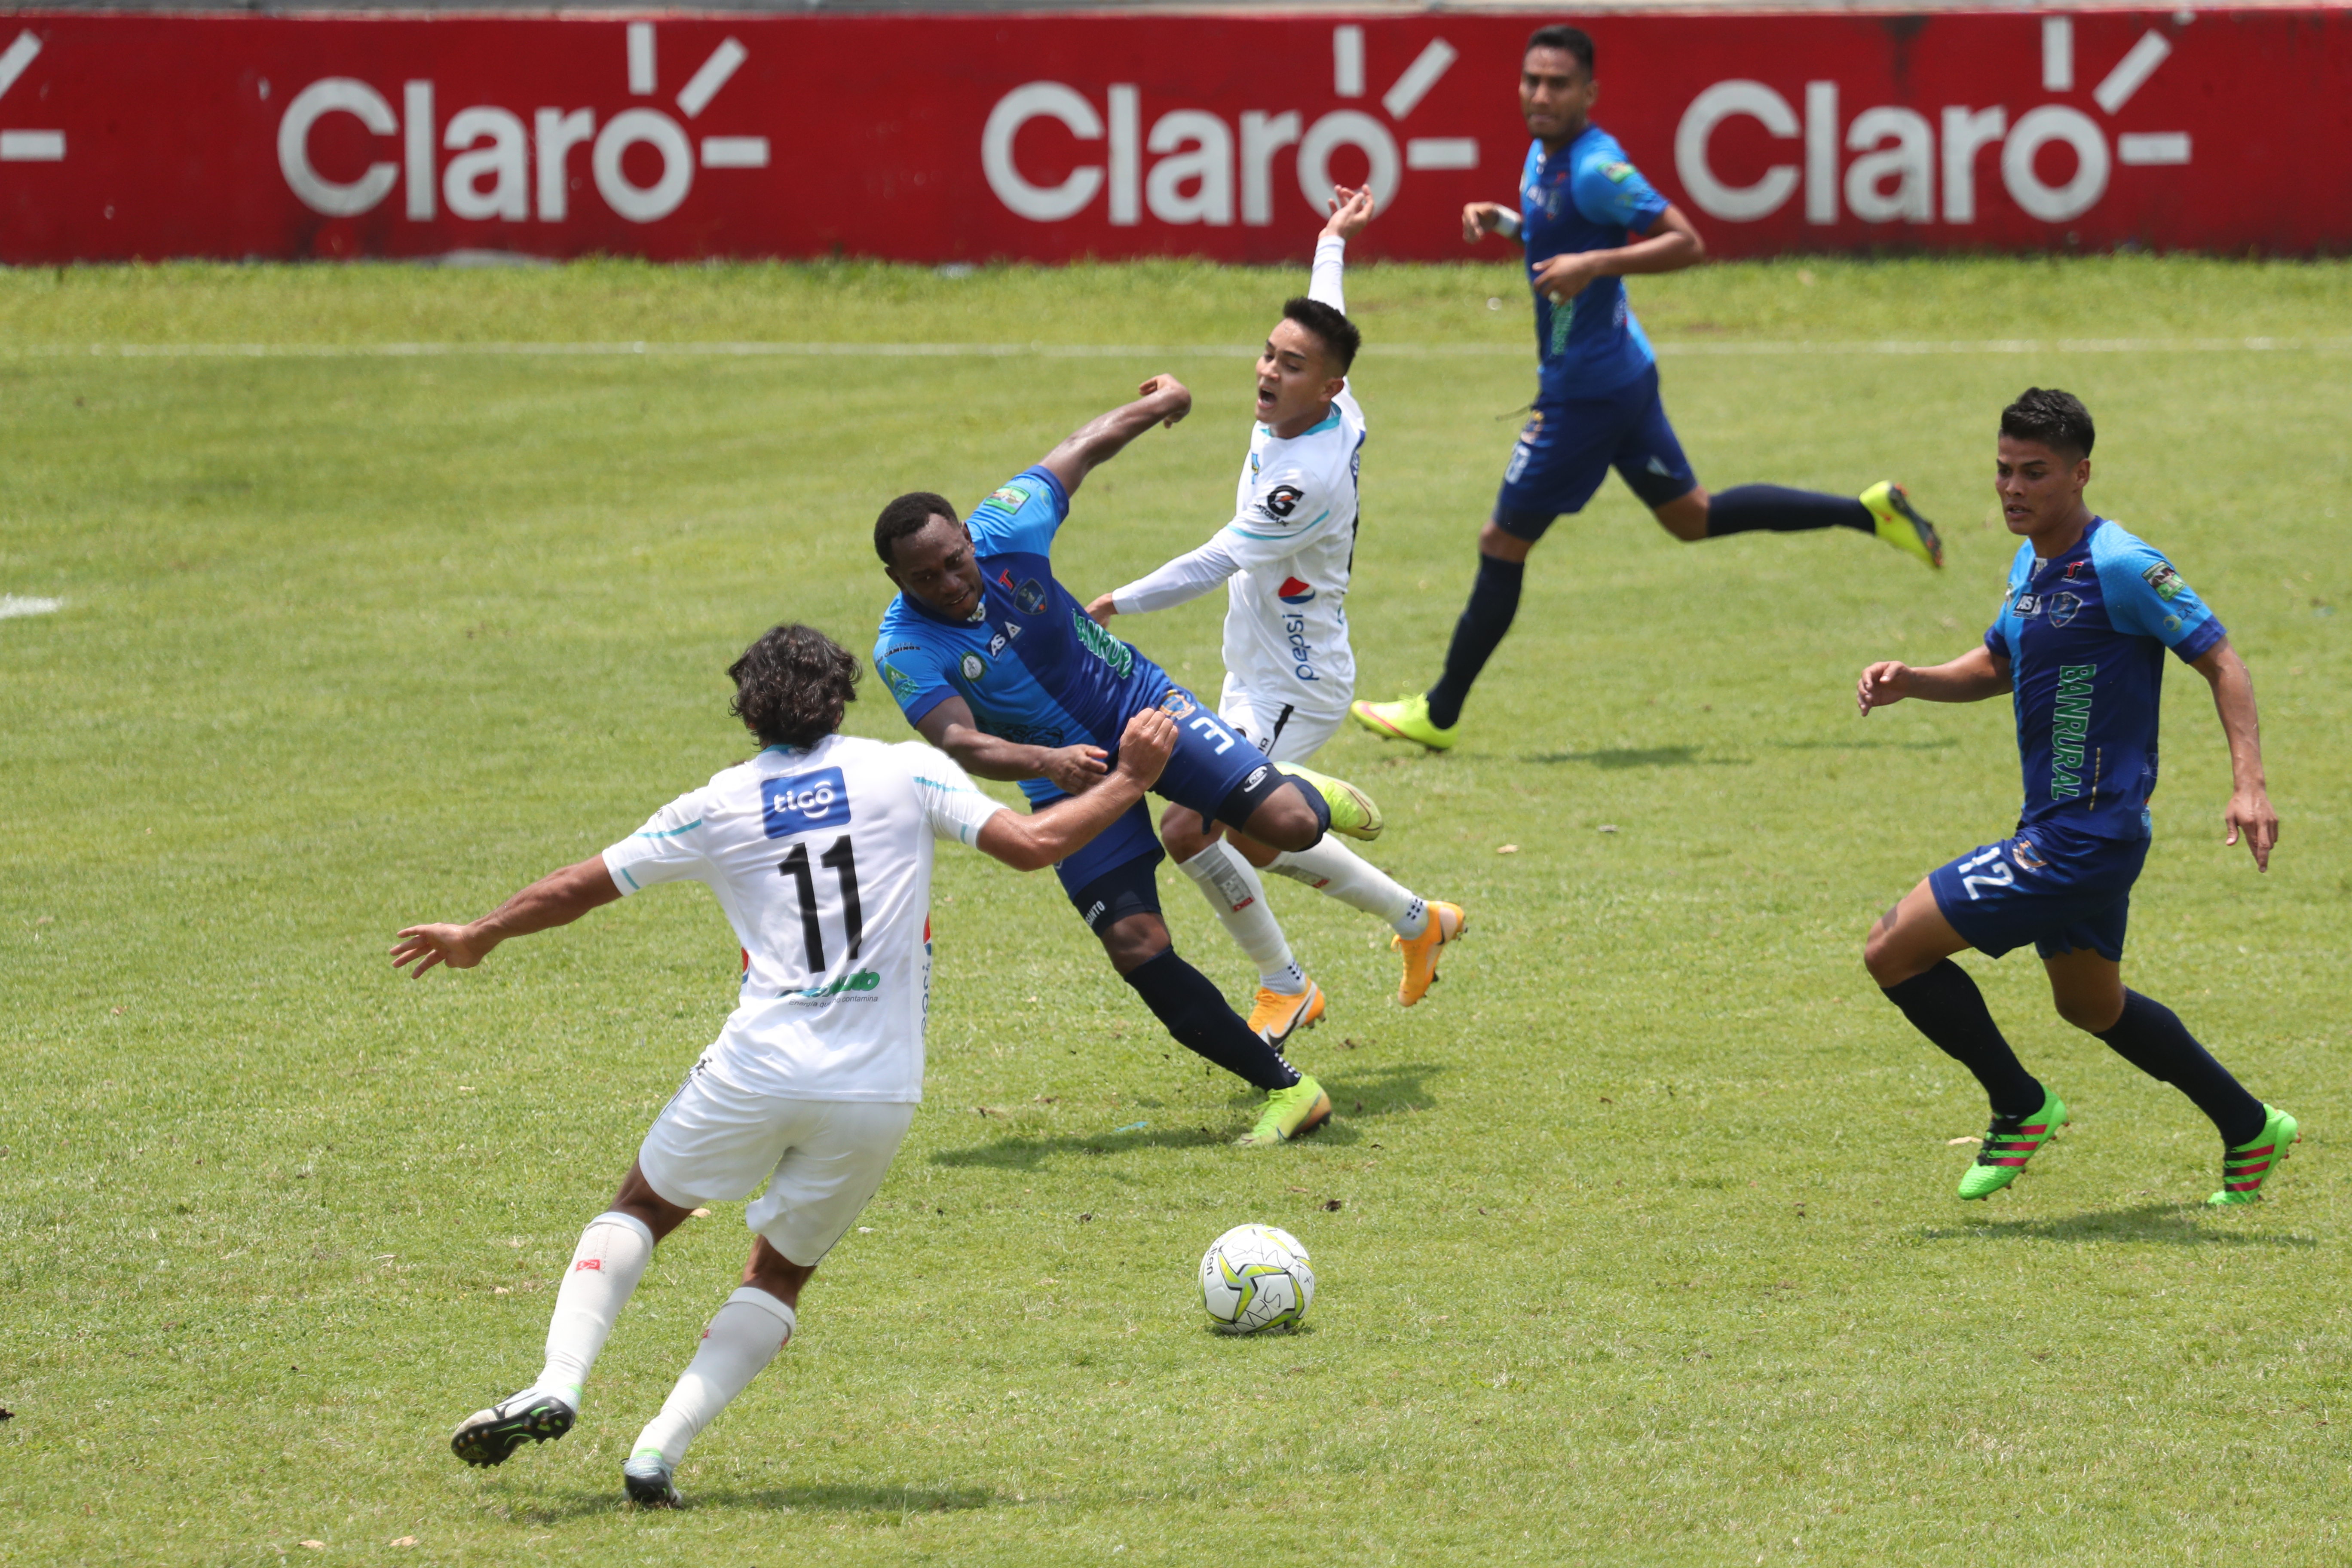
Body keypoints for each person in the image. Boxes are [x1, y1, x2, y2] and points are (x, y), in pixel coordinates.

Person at [395, 624, 1178, 1506]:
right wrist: (1132, 779)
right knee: (778, 1274)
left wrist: (481, 934)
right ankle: (656, 1452)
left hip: (757, 1067)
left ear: (748, 716)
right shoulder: (903, 771)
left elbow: (582, 882)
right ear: (841, 696)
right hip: (878, 1091)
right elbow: (1038, 846)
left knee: (645, 1207)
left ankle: (559, 1382)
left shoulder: (718, 803)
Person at [1349, 22, 1943, 753]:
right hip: (1623, 373)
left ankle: (1437, 713)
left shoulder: (1597, 166)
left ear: (1589, 93)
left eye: (1558, 84)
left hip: (1586, 394)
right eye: (1532, 80)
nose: (1541, 94)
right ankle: (1869, 512)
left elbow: (1687, 242)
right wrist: (1507, 222)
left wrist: (1595, 267)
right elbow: (1557, 235)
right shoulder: (1546, 153)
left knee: (1501, 541)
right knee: (1691, 517)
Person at [871, 378, 1385, 1147]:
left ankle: (1299, 788)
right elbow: (960, 742)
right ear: (898, 583)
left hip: (1147, 711)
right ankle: (1288, 1090)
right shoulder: (905, 648)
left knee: (1288, 825)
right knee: (1135, 945)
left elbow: (1079, 451)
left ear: (968, 541)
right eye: (926, 578)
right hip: (1063, 777)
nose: (948, 584)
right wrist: (1050, 760)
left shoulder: (1008, 527)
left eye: (954, 562)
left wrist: (1160, 404)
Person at [1856, 389, 2297, 1205]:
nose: (2013, 489)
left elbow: (2223, 661)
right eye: (2002, 471)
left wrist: (2249, 786)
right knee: (2092, 1007)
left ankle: (2020, 1107)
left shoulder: (2125, 566)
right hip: (2061, 828)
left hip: (2083, 840)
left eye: (2035, 472)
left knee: (1892, 950)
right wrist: (1912, 681)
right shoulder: (2031, 561)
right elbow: (1998, 662)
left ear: (2080, 472)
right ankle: (2248, 1125)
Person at [1086, 185, 1465, 1034]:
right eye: (1267, 354)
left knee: (1188, 827)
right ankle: (1419, 921)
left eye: (1289, 367)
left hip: (1297, 680)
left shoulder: (1308, 480)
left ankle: (1286, 981)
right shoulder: (1318, 396)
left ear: (1326, 387)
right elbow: (1324, 312)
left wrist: (1117, 601)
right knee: (1250, 842)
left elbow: (1220, 555)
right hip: (1254, 667)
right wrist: (1333, 239)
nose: (1268, 371)